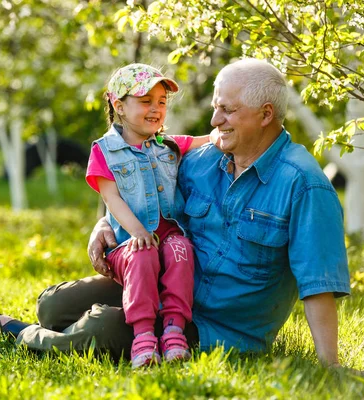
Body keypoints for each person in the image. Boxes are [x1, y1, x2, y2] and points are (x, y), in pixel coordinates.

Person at [0, 58, 350, 368]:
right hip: (160, 281)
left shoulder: (303, 184)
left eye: (227, 111)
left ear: (266, 115)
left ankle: (20, 334)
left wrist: (329, 365)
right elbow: (143, 194)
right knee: (54, 304)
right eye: (216, 107)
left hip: (213, 325)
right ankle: (62, 325)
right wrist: (103, 223)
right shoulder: (201, 161)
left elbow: (319, 283)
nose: (215, 121)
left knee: (101, 328)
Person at [86, 63, 211, 367]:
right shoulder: (104, 151)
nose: (156, 108)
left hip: (168, 237)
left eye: (162, 102)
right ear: (119, 106)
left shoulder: (168, 146)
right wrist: (138, 231)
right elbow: (111, 198)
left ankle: (173, 330)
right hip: (128, 243)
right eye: (145, 101)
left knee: (182, 250)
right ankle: (143, 335)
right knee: (142, 254)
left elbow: (207, 141)